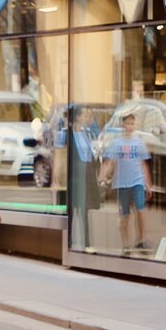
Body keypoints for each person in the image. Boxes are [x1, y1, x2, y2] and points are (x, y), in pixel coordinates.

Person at [98, 112, 152, 252]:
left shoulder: (138, 142)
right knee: (125, 215)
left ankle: (141, 239)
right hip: (122, 182)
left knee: (140, 210)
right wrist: (102, 177)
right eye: (127, 123)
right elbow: (109, 162)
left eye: (132, 124)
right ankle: (126, 244)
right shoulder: (116, 143)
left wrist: (148, 183)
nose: (130, 126)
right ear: (123, 125)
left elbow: (143, 163)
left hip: (137, 180)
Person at [69, 105, 101, 250]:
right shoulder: (68, 135)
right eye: (84, 115)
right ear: (77, 117)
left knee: (84, 209)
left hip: (86, 175)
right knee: (72, 209)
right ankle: (69, 241)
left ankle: (86, 243)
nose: (87, 118)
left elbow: (91, 154)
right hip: (74, 176)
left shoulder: (86, 133)